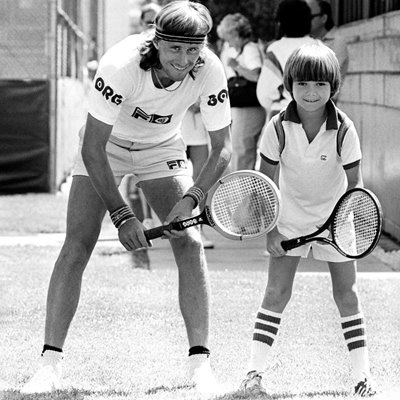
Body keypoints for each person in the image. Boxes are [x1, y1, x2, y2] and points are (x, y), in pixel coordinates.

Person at [21, 1, 232, 394]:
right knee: (77, 245)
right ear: (157, 41)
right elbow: (92, 148)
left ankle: (200, 366)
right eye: (175, 49)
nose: (184, 59)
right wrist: (122, 215)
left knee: (189, 242)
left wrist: (192, 199)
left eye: (193, 50)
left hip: (162, 147)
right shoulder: (121, 64)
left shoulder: (210, 68)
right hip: (107, 147)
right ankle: (48, 366)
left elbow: (222, 147)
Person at [240, 42, 376, 397]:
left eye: (319, 84)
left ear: (333, 86)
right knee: (275, 293)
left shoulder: (345, 128)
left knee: (346, 294)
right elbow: (265, 184)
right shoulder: (277, 127)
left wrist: (343, 224)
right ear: (289, 86)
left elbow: (355, 184)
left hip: (336, 221)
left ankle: (362, 377)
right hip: (289, 221)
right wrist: (271, 231)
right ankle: (253, 374)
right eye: (302, 84)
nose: (311, 92)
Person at [216, 13, 266, 172]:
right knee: (239, 149)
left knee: (242, 150)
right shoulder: (242, 49)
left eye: (227, 38)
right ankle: (242, 190)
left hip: (249, 108)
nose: (227, 43)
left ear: (234, 34)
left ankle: (243, 192)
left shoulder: (249, 49)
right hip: (243, 108)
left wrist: (236, 66)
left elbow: (257, 75)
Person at [256, 0, 316, 121]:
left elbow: (265, 93)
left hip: (286, 115)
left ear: (280, 23)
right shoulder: (321, 46)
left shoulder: (276, 50)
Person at [181, 100, 214, 249]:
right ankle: (153, 220)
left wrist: (201, 104)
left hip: (199, 132)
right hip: (172, 132)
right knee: (173, 180)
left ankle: (198, 228)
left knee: (202, 179)